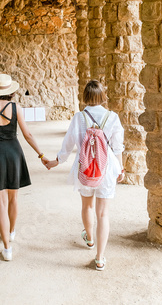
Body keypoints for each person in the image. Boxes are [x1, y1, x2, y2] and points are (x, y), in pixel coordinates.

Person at [46, 79, 125, 271]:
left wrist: (56, 161)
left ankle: (89, 238)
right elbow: (117, 147)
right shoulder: (112, 117)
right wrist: (120, 168)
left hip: (85, 170)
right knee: (103, 213)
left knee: (87, 206)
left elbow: (69, 143)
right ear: (102, 96)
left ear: (86, 97)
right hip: (106, 170)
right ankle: (99, 258)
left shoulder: (79, 117)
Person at [0, 73, 48, 261]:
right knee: (13, 198)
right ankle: (11, 232)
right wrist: (41, 155)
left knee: (0, 203)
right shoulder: (15, 107)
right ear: (10, 92)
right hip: (14, 153)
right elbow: (27, 135)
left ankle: (7, 248)